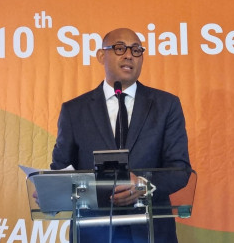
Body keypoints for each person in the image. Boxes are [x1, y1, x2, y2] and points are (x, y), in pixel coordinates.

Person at [50, 28, 191, 242]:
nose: (128, 55)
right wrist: (50, 190)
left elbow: (179, 170)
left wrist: (143, 185)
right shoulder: (74, 110)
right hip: (92, 230)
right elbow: (61, 168)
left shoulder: (166, 105)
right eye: (119, 48)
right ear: (101, 55)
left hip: (150, 229)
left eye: (136, 50)